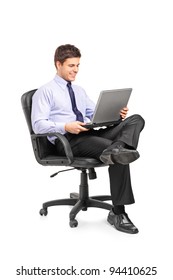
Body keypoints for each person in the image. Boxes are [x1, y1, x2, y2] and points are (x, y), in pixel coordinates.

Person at [31, 44, 145, 234]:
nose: (75, 70)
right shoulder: (45, 91)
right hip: (67, 141)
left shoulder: (79, 91)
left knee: (136, 120)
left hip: (89, 134)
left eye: (77, 65)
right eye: (71, 66)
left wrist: (116, 115)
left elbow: (95, 116)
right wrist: (65, 126)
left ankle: (116, 148)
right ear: (58, 64)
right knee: (120, 155)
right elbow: (38, 125)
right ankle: (118, 212)